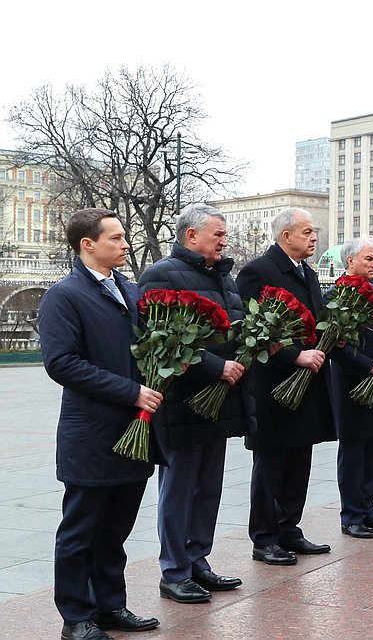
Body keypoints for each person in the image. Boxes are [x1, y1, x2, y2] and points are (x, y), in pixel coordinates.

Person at [41, 208, 163, 639]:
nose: (125, 243)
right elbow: (62, 363)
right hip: (92, 433)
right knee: (81, 530)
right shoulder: (65, 295)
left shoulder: (129, 291)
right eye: (115, 238)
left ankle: (111, 606)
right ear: (86, 245)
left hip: (135, 431)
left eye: (124, 236)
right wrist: (130, 392)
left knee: (116, 528)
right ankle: (76, 617)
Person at [140, 204, 246, 604]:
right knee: (179, 488)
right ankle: (174, 569)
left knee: (208, 488)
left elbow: (233, 329)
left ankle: (198, 558)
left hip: (217, 400)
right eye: (218, 234)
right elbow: (161, 338)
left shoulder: (223, 277)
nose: (224, 241)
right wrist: (217, 366)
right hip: (181, 401)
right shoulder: (160, 276)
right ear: (191, 236)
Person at [237, 208, 336, 567]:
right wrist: (294, 356)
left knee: (299, 459)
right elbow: (253, 330)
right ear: (286, 236)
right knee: (271, 463)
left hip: (305, 384)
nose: (313, 238)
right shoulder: (258, 272)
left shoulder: (306, 273)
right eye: (307, 232)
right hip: (273, 386)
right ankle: (264, 538)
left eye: (314, 232)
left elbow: (317, 320)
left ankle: (288, 527)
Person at [325, 239, 373, 540]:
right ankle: (352, 514)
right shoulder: (334, 296)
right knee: (354, 451)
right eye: (368, 259)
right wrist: (368, 366)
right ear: (350, 261)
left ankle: (369, 510)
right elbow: (335, 346)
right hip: (351, 383)